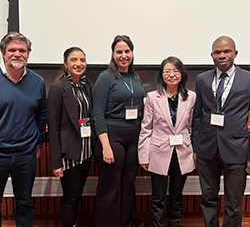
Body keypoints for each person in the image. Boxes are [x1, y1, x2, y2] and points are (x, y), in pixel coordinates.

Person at [192, 36, 250, 227]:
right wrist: (196, 145)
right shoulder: (202, 79)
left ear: (235, 53)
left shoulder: (248, 79)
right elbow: (198, 114)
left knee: (234, 203)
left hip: (237, 149)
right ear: (212, 55)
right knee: (208, 199)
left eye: (226, 51)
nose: (222, 55)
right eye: (217, 52)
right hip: (207, 149)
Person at [93, 35, 145, 227]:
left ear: (132, 53)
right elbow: (97, 114)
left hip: (134, 137)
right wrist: (105, 146)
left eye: (127, 51)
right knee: (110, 187)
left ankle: (125, 223)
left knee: (128, 185)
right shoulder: (105, 77)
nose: (124, 55)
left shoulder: (135, 78)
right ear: (113, 55)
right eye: (119, 52)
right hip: (112, 137)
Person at [138, 56, 196, 227]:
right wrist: (143, 156)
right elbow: (146, 128)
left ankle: (174, 224)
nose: (172, 74)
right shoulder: (152, 97)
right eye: (167, 71)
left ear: (182, 74)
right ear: (162, 75)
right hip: (158, 153)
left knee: (177, 195)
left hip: (182, 153)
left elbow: (192, 126)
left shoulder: (191, 97)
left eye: (176, 71)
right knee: (158, 196)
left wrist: (194, 152)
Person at [0, 31, 46, 227]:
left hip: (26, 154)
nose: (17, 54)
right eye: (12, 50)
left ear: (28, 54)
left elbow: (41, 114)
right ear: (3, 53)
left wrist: (38, 143)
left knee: (25, 202)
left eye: (22, 50)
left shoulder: (38, 82)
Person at [47, 47, 94, 227]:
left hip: (86, 151)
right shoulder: (58, 89)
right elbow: (53, 128)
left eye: (82, 60)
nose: (79, 64)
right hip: (70, 154)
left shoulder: (86, 86)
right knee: (70, 197)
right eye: (74, 60)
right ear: (65, 64)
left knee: (77, 195)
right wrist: (55, 162)